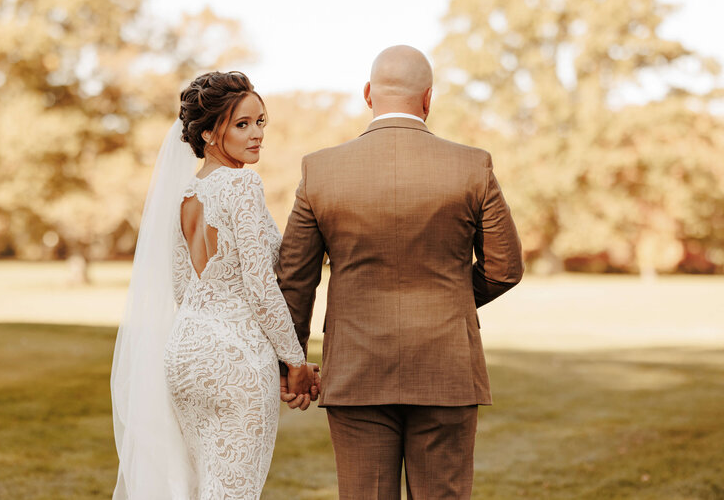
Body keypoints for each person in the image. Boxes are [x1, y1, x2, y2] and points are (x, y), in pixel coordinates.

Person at [277, 46, 524, 499]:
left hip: (355, 368)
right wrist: (451, 298)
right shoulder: (472, 165)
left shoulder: (320, 170)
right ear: (428, 99)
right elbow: (505, 268)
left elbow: (295, 278)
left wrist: (292, 363)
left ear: (368, 94)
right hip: (446, 364)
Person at [111, 71, 319, 500]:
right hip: (236, 358)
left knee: (201, 487)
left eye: (261, 121)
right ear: (208, 133)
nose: (257, 134)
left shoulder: (184, 196)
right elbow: (261, 288)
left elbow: (184, 288)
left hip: (185, 354)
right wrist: (295, 363)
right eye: (242, 125)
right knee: (234, 492)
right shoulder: (242, 183)